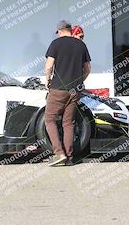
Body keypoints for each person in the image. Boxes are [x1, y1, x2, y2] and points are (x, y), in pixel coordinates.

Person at [44, 20, 92, 166]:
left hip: (58, 89)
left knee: (49, 119)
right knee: (68, 123)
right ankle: (70, 158)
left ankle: (59, 153)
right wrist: (79, 81)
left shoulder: (55, 43)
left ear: (59, 31)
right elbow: (88, 68)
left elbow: (49, 66)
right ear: (70, 30)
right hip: (75, 90)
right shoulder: (81, 44)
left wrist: (47, 80)